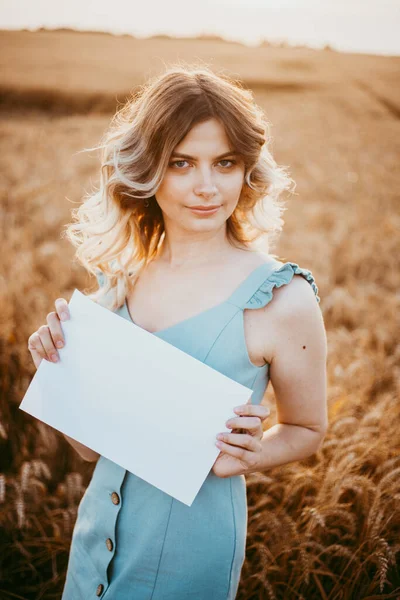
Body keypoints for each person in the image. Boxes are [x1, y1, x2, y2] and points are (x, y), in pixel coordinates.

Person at [27, 64, 328, 600]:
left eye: (225, 163)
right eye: (181, 163)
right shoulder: (120, 280)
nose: (207, 187)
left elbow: (308, 428)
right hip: (94, 546)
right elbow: (92, 452)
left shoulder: (282, 298)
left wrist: (255, 454)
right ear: (148, 169)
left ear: (247, 170)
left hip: (187, 560)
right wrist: (55, 367)